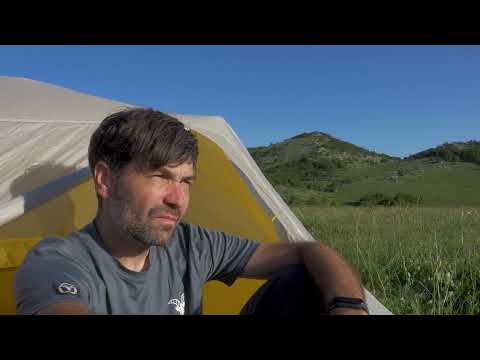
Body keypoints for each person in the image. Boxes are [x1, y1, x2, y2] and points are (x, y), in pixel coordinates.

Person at [14, 108, 369, 315]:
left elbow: (308, 251)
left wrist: (349, 306)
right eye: (161, 176)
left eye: (186, 182)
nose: (178, 199)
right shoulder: (57, 260)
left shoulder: (190, 243)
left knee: (304, 281)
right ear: (105, 179)